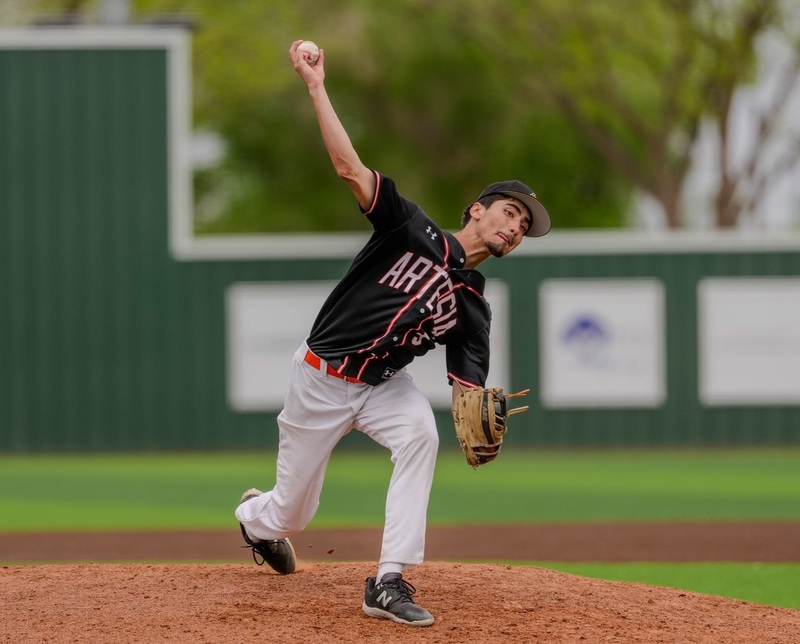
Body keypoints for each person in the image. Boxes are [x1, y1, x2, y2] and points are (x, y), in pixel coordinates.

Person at [234, 39, 552, 628]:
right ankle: (255, 519)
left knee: (420, 437)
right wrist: (316, 86)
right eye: (510, 212)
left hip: (383, 385)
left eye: (525, 226)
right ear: (477, 209)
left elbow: (467, 389)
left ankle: (389, 581)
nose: (515, 227)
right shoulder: (411, 228)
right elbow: (348, 169)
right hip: (320, 379)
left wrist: (478, 413)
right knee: (291, 515)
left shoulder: (473, 304)